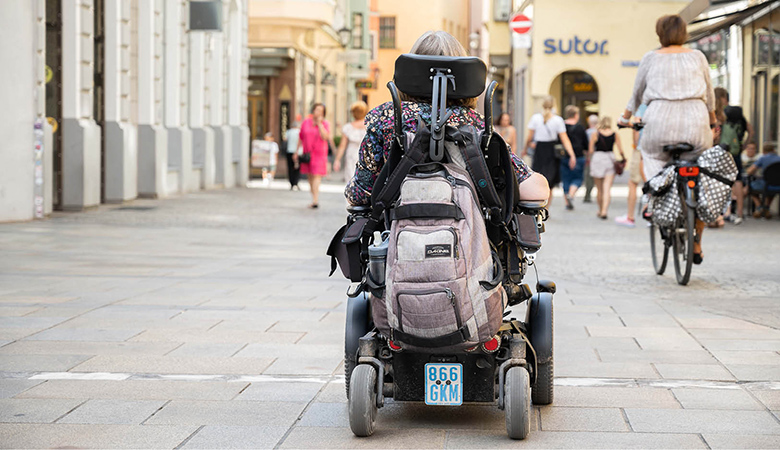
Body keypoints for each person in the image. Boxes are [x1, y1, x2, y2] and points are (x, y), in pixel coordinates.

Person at [345, 31, 549, 206]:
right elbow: (534, 191)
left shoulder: (386, 118)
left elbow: (362, 193)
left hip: (399, 238)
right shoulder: (476, 124)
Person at [621, 14, 717, 264]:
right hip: (696, 120)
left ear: (659, 33)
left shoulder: (651, 57)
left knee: (650, 156)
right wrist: (713, 119)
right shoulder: (698, 56)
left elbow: (637, 94)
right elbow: (709, 93)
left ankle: (653, 200)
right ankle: (697, 241)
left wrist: (625, 118)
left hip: (659, 119)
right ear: (684, 32)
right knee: (701, 174)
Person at [522, 96, 576, 206]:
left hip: (539, 151)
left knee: (537, 179)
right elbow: (565, 139)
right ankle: (546, 208)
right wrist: (572, 155)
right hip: (552, 152)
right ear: (554, 106)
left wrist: (525, 148)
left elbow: (529, 137)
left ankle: (538, 206)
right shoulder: (557, 120)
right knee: (549, 182)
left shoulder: (535, 118)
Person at [714, 88, 752, 225]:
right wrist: (744, 145)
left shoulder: (717, 113)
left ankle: (724, 212)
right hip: (735, 151)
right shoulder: (737, 113)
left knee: (720, 181)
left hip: (719, 150)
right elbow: (750, 130)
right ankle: (740, 213)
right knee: (737, 181)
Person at [296, 103, 335, 209]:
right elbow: (301, 137)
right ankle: (313, 197)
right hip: (307, 153)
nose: (318, 112)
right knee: (309, 176)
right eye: (316, 110)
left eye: (320, 111)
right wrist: (296, 151)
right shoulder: (306, 122)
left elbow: (325, 137)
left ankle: (315, 200)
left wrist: (320, 124)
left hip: (319, 153)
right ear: (313, 110)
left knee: (316, 176)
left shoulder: (325, 123)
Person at [616, 104, 647, 228]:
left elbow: (637, 126)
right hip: (657, 148)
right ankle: (652, 215)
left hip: (641, 149)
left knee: (633, 183)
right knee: (652, 182)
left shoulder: (642, 106)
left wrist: (636, 145)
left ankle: (630, 217)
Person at [588, 116, 625, 219]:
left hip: (598, 158)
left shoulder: (595, 133)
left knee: (599, 189)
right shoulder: (615, 134)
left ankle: (600, 210)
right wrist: (623, 158)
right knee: (607, 188)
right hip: (610, 158)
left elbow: (591, 150)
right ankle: (604, 210)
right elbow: (620, 150)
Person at [333, 101, 368, 182]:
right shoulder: (369, 126)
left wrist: (337, 160)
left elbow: (342, 145)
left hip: (351, 153)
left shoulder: (348, 127)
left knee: (351, 178)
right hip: (364, 153)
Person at [561, 106, 588, 210]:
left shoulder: (562, 127)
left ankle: (567, 203)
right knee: (577, 178)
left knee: (566, 179)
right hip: (578, 156)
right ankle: (571, 195)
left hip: (564, 156)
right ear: (576, 115)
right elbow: (586, 144)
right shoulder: (580, 128)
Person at [747, 142, 780, 219]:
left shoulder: (763, 158)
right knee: (772, 191)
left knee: (750, 187)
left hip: (766, 184)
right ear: (774, 150)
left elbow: (750, 171)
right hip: (778, 186)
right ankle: (766, 208)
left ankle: (759, 207)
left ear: (764, 152)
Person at [583, 114, 599, 203]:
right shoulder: (599, 132)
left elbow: (587, 147)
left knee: (588, 176)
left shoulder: (587, 132)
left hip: (590, 155)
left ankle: (587, 195)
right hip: (598, 156)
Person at [284, 120, 301, 190]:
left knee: (290, 168)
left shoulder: (289, 132)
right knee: (297, 168)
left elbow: (285, 139)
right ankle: (296, 182)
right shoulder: (299, 132)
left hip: (290, 151)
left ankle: (291, 183)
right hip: (298, 152)